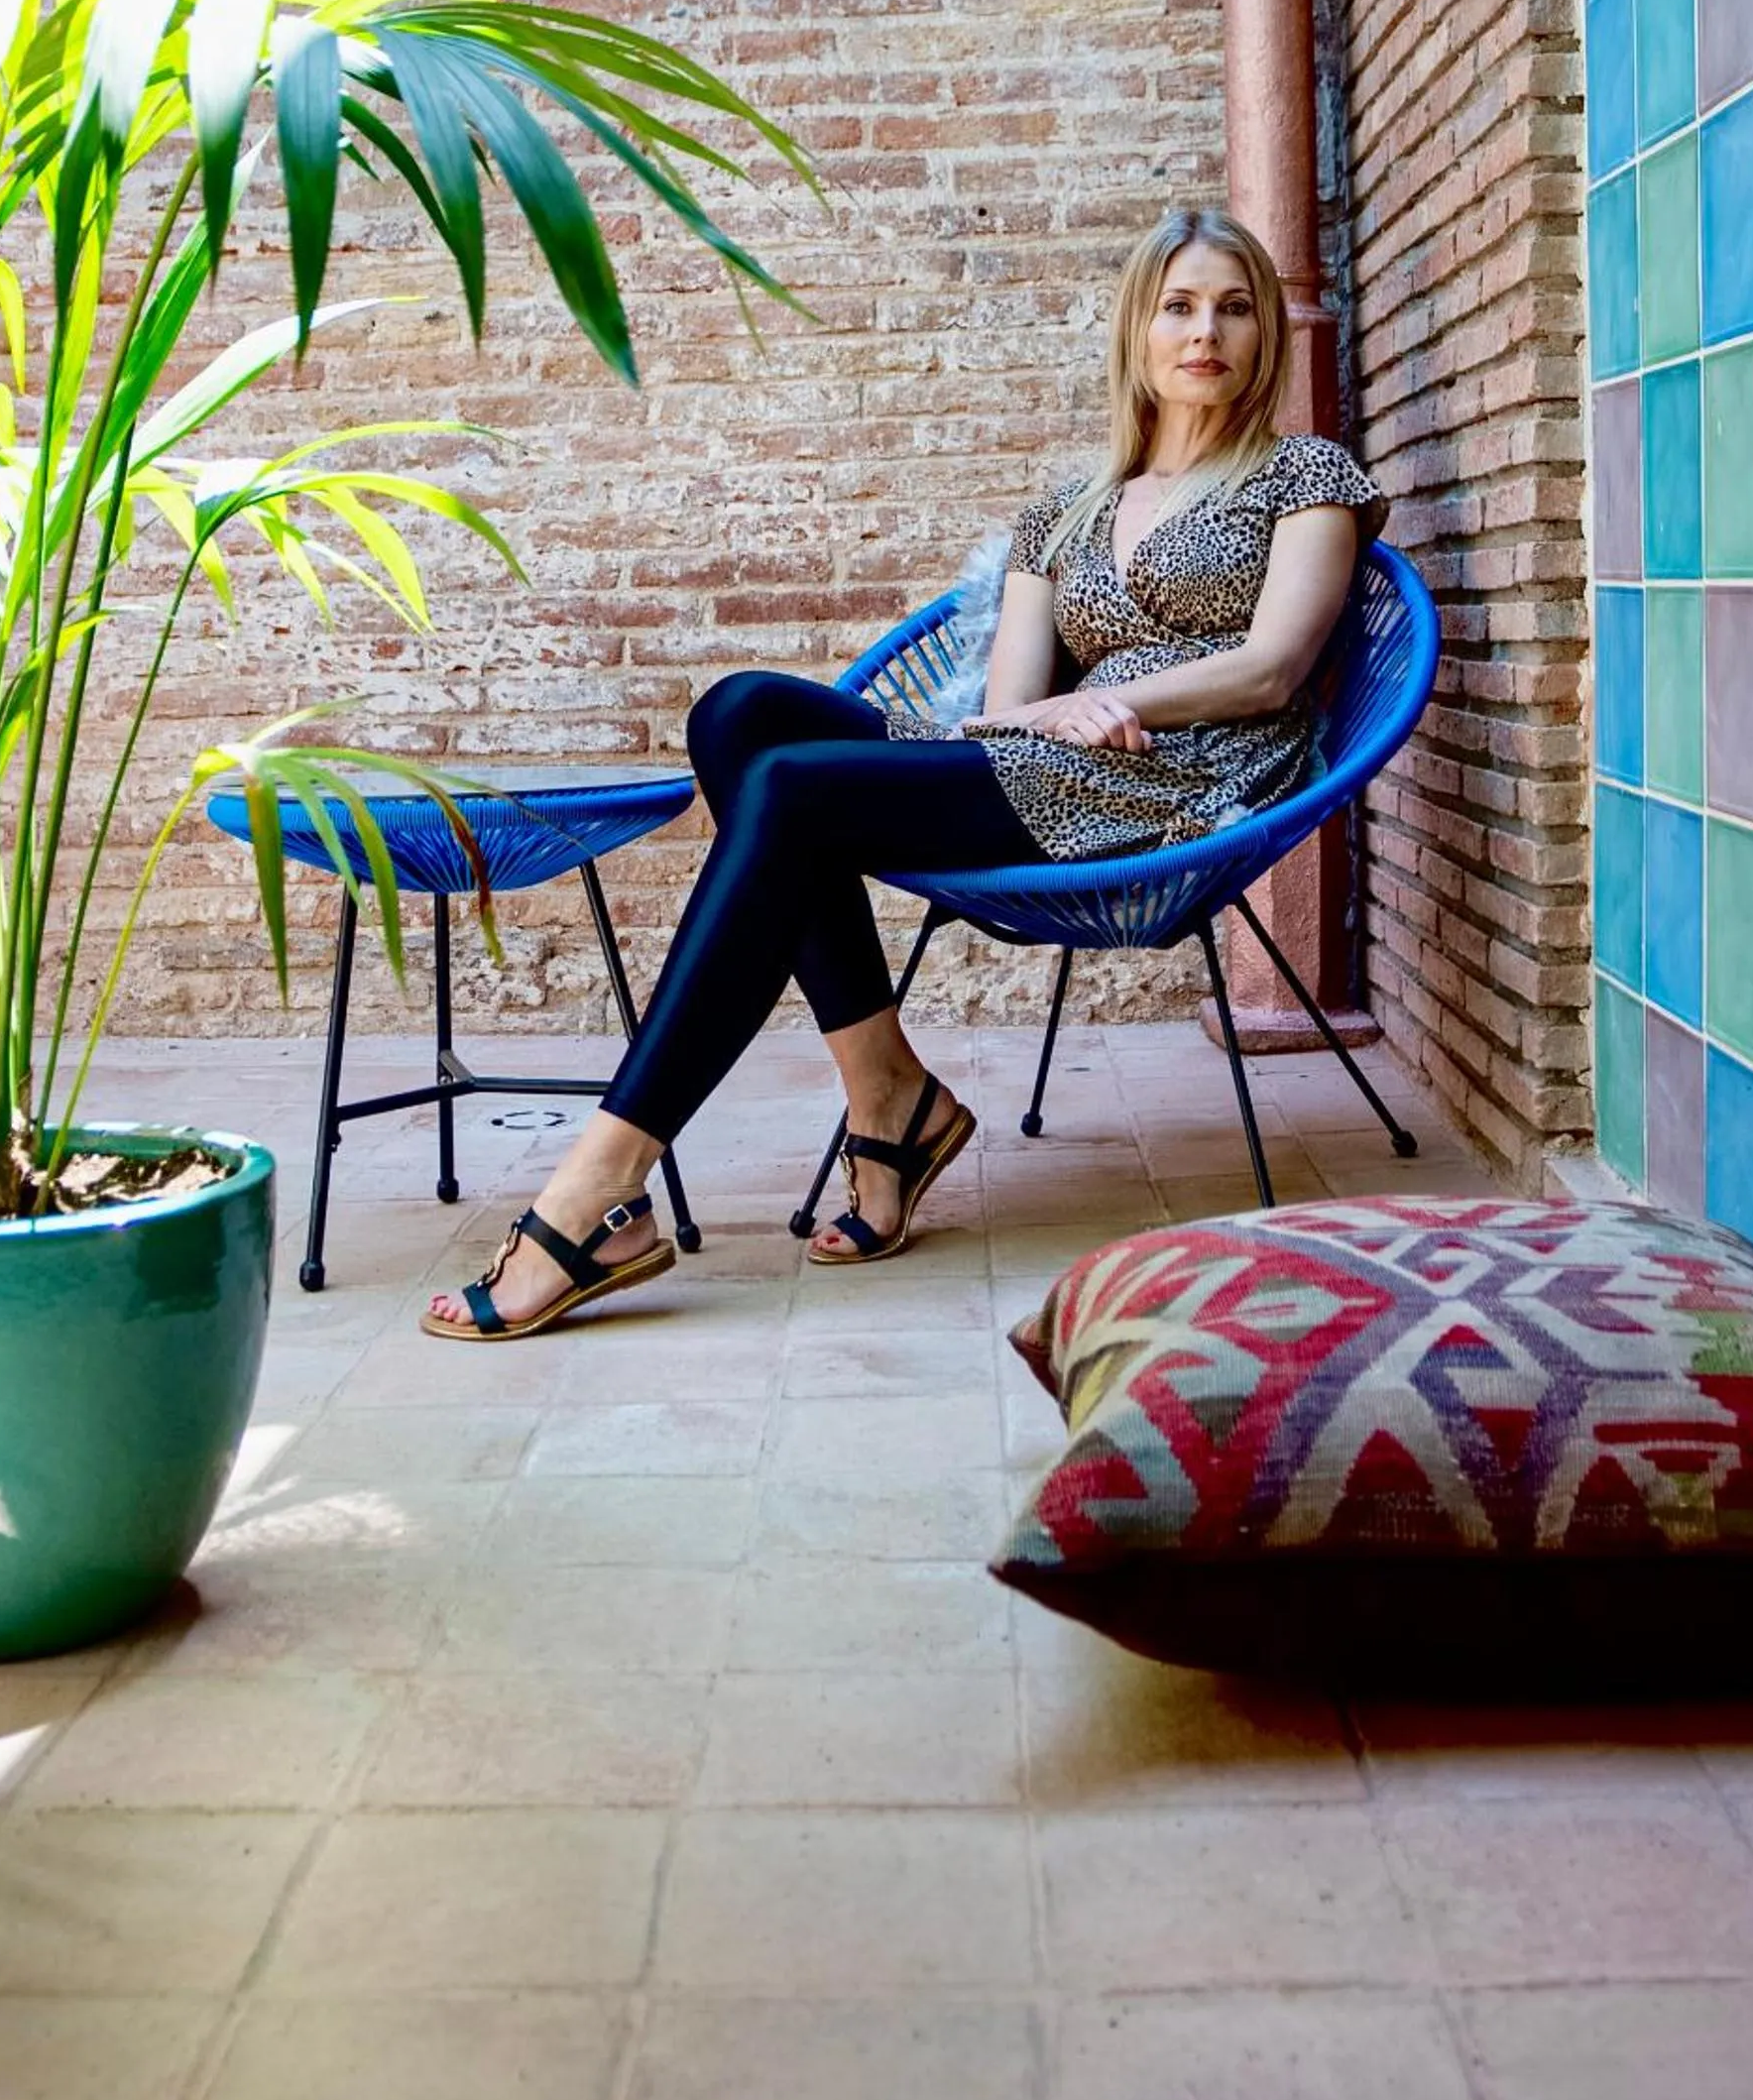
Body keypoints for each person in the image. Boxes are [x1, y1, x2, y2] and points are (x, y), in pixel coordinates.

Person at [421, 206, 1388, 1340]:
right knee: (741, 715)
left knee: (791, 796)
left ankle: (598, 1189)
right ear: (1137, 330)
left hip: (1181, 784)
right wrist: (1059, 714)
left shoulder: (1304, 476)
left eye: (1232, 307)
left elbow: (1273, 671)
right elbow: (1011, 713)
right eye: (1178, 306)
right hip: (1049, 766)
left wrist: (1115, 700)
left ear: (1265, 331)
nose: (1204, 332)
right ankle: (889, 1096)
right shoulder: (1062, 516)